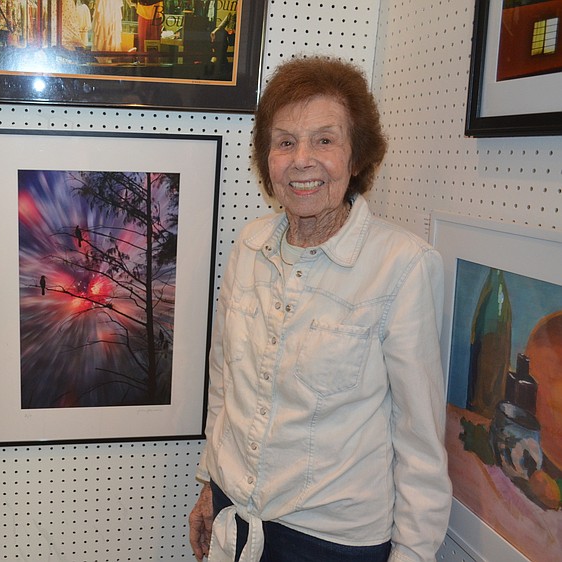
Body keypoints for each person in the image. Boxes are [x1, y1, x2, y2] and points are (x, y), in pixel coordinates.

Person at [188, 57, 452, 562]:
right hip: (235, 520)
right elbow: (225, 383)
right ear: (267, 158)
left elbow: (419, 440)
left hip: (330, 543)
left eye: (324, 140)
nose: (301, 160)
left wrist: (413, 555)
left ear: (357, 158)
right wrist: (210, 482)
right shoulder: (250, 245)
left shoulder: (402, 265)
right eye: (285, 141)